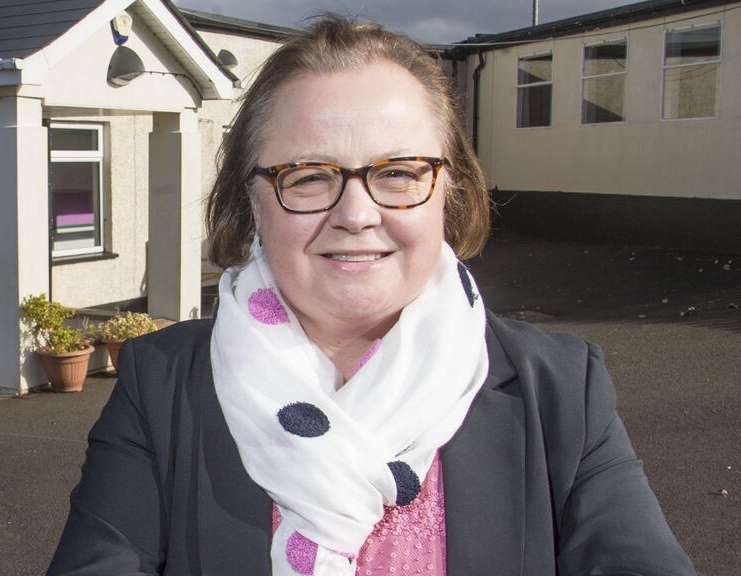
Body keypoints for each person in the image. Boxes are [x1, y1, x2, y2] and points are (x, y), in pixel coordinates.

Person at [47, 15, 694, 576]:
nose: (356, 212)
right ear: (252, 201)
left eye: (398, 172)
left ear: (450, 189)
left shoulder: (560, 391)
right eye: (307, 176)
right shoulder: (161, 386)